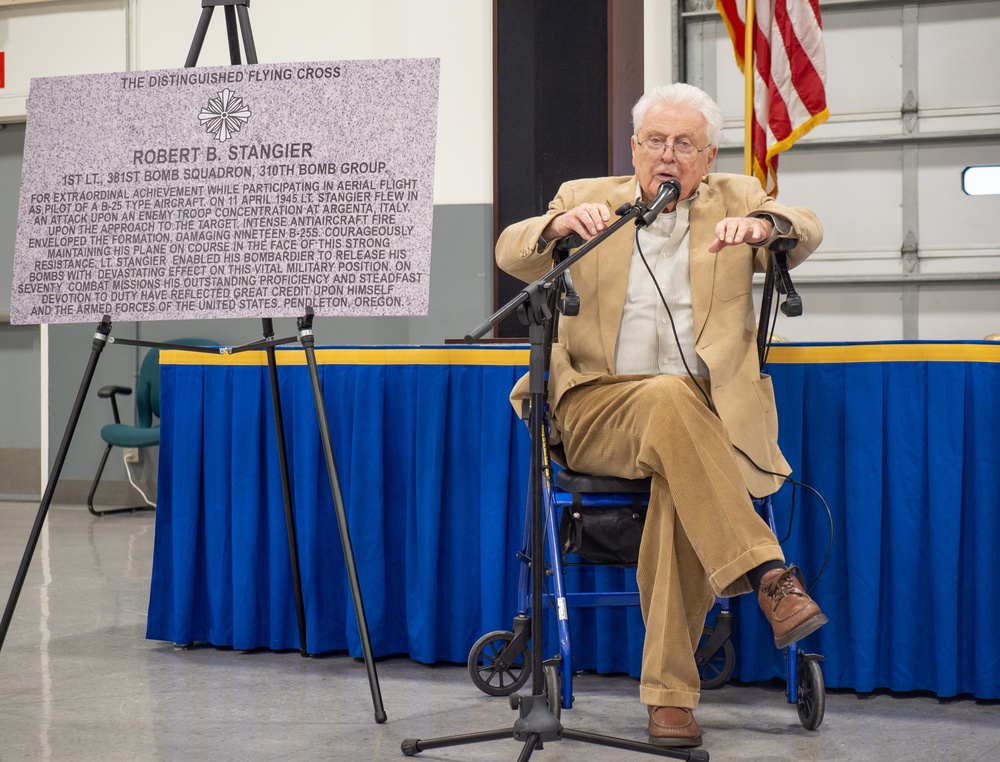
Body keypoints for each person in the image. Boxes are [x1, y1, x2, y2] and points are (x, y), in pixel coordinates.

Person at [495, 82, 828, 748]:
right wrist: (556, 228)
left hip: (698, 423)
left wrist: (763, 229)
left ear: (708, 157)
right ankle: (769, 573)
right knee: (675, 403)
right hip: (595, 405)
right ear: (634, 148)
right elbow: (512, 251)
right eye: (655, 142)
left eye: (684, 144)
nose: (667, 156)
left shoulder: (738, 198)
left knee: (682, 460)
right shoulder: (588, 199)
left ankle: (670, 701)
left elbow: (806, 230)